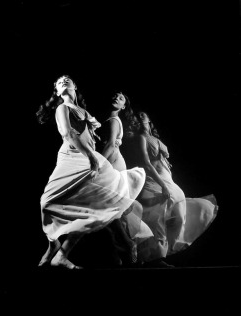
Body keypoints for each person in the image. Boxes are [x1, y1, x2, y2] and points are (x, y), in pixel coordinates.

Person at [36, 75, 146, 269]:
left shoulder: (84, 112)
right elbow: (68, 133)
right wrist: (91, 156)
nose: (63, 81)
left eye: (67, 79)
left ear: (75, 85)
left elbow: (91, 138)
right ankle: (53, 245)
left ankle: (61, 254)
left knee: (90, 208)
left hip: (88, 159)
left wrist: (93, 152)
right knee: (47, 202)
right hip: (72, 157)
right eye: (59, 81)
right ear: (56, 89)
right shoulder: (63, 108)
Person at [127, 110, 218, 267]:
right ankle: (155, 257)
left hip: (168, 178)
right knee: (157, 219)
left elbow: (162, 159)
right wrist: (162, 184)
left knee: (180, 217)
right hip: (156, 180)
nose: (140, 117)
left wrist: (166, 164)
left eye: (143, 114)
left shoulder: (155, 138)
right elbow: (146, 163)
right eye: (138, 116)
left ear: (149, 119)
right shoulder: (141, 137)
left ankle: (160, 252)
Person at [98, 92, 153, 265]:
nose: (116, 98)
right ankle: (121, 252)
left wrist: (97, 164)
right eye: (114, 96)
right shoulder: (110, 120)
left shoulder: (114, 120)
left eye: (121, 98)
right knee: (109, 212)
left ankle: (127, 248)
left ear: (123, 107)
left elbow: (110, 144)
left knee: (109, 211)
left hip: (112, 166)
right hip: (113, 164)